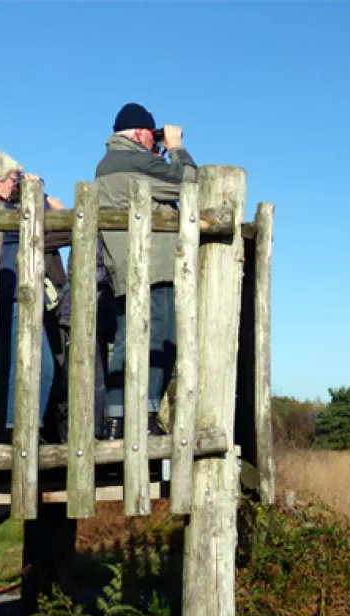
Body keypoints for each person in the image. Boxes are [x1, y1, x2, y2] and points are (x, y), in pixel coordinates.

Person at [95, 102, 198, 439]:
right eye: (153, 136)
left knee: (131, 338)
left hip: (129, 266)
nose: (157, 142)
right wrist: (176, 149)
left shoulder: (111, 163)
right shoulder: (135, 161)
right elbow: (190, 183)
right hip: (153, 266)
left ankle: (118, 420)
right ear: (140, 134)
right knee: (160, 339)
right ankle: (144, 416)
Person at [0, 149, 63, 443]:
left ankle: (16, 429)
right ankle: (19, 430)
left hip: (7, 295)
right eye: (13, 179)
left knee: (14, 366)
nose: (16, 186)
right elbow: (42, 226)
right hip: (13, 296)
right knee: (37, 367)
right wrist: (39, 194)